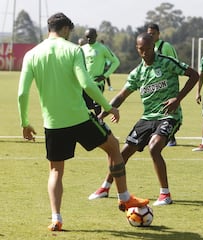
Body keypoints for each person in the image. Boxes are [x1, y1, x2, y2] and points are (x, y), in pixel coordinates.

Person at [17, 12, 149, 232]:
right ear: (67, 29)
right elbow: (86, 84)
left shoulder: (32, 54)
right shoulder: (73, 50)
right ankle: (124, 198)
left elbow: (22, 93)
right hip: (79, 119)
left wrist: (25, 122)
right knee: (114, 147)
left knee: (56, 171)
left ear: (49, 28)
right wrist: (108, 107)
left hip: (53, 123)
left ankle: (56, 218)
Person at [88, 33, 199, 206]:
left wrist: (178, 98)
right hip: (147, 118)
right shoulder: (137, 73)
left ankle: (165, 194)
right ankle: (105, 187)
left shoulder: (167, 62)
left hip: (169, 116)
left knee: (154, 148)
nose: (146, 52)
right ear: (137, 49)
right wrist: (104, 113)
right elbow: (121, 95)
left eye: (148, 49)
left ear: (153, 46)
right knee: (122, 153)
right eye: (142, 49)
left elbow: (194, 75)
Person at [147, 23, 179, 147]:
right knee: (154, 110)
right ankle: (156, 134)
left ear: (158, 34)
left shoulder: (165, 46)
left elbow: (175, 63)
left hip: (167, 85)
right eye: (149, 33)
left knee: (168, 110)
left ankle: (171, 137)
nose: (150, 35)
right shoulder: (147, 47)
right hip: (154, 85)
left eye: (153, 33)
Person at [81, 28, 120, 115]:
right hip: (85, 84)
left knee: (97, 106)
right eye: (87, 37)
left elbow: (116, 62)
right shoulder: (82, 49)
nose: (89, 39)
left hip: (97, 84)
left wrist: (105, 75)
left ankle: (100, 123)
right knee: (83, 107)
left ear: (96, 36)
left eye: (91, 37)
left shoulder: (102, 48)